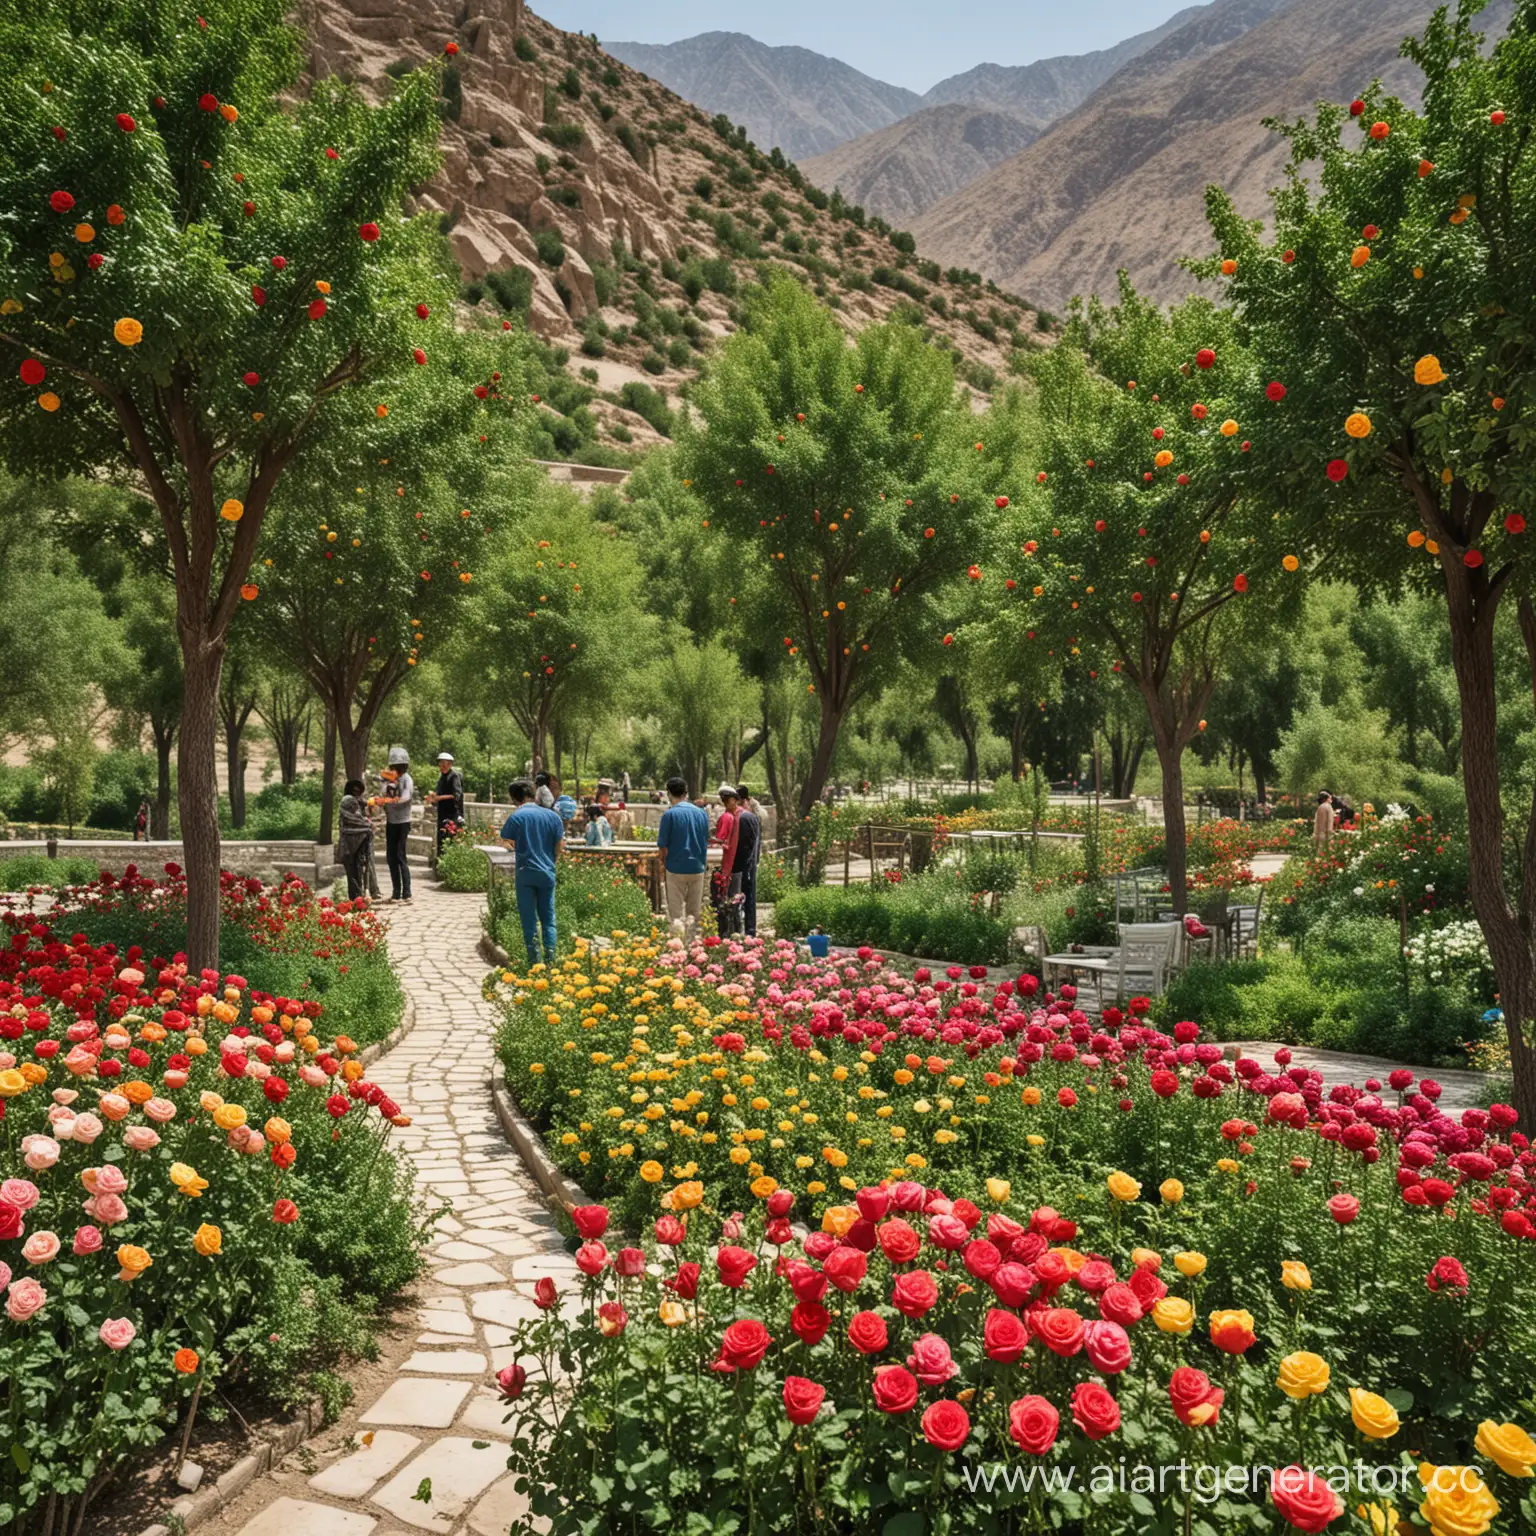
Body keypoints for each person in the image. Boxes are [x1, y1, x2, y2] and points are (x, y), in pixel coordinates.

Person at [500, 777, 564, 966]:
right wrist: (553, 860)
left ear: (515, 799)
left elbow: (505, 840)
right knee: (548, 919)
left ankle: (534, 963)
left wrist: (518, 846)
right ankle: (551, 961)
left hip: (525, 871)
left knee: (529, 922)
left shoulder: (517, 817)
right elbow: (559, 844)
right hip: (547, 872)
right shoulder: (553, 816)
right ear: (533, 795)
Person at [656, 775, 710, 944]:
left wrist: (662, 862)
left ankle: (677, 948)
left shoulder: (670, 815)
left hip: (676, 867)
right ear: (686, 793)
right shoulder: (701, 814)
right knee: (694, 913)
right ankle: (693, 946)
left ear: (669, 794)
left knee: (676, 914)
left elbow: (663, 846)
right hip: (697, 867)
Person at [376, 747, 414, 902]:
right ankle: (396, 892)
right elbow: (383, 793)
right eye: (394, 767)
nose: (396, 770)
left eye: (399, 767)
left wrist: (390, 800)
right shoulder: (388, 779)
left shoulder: (407, 779)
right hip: (391, 821)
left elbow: (406, 797)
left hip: (403, 821)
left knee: (400, 855)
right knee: (391, 857)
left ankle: (407, 892)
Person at [733, 783, 762, 938]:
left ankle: (744, 929)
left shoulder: (744, 818)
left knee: (743, 896)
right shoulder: (753, 817)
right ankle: (750, 929)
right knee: (749, 897)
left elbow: (745, 845)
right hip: (751, 864)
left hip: (744, 865)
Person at [338, 778, 375, 900]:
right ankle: (355, 900)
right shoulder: (348, 801)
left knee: (359, 874)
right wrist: (367, 825)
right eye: (355, 790)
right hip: (349, 846)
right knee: (352, 875)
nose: (357, 793)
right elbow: (354, 819)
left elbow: (363, 818)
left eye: (359, 791)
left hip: (358, 846)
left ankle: (359, 899)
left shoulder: (357, 803)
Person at [712, 784, 741, 935]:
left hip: (726, 864)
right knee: (734, 899)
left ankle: (725, 931)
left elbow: (720, 840)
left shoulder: (726, 817)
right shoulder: (736, 816)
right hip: (735, 863)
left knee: (722, 899)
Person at [425, 751, 464, 856]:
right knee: (441, 841)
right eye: (440, 764)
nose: (441, 766)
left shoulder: (454, 776)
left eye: (443, 764)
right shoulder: (442, 777)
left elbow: (457, 795)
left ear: (450, 764)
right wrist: (432, 797)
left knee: (449, 840)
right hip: (442, 813)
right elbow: (438, 793)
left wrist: (440, 797)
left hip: (452, 814)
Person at [1312, 789, 1336, 854]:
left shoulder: (1320, 807)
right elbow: (1329, 822)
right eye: (1330, 798)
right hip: (1326, 835)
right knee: (1325, 855)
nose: (1331, 799)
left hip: (1318, 834)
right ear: (1326, 798)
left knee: (1318, 855)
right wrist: (1330, 836)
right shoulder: (1328, 807)